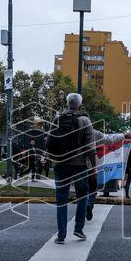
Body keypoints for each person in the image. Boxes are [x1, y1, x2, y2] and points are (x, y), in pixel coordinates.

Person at [46, 93, 96, 243]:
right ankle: (78, 229)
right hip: (79, 165)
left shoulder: (57, 118)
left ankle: (61, 235)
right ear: (80, 105)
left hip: (61, 165)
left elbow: (49, 141)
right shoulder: (85, 120)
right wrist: (93, 168)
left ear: (68, 104)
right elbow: (90, 148)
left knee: (61, 199)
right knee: (83, 196)